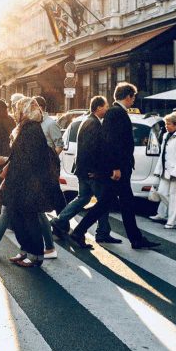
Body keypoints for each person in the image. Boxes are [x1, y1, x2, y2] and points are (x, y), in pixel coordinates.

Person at [70, 83, 158, 249]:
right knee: (115, 203)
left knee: (119, 203)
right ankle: (134, 239)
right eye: (133, 97)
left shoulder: (115, 112)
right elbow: (112, 142)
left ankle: (135, 239)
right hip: (118, 169)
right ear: (128, 97)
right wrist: (116, 167)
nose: (134, 101)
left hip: (119, 167)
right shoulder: (116, 113)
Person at [0, 99, 66, 267]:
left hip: (28, 183)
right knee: (18, 218)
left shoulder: (32, 129)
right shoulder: (25, 128)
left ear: (24, 110)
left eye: (17, 108)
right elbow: (18, 156)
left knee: (30, 219)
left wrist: (14, 177)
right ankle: (25, 251)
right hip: (20, 181)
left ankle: (35, 255)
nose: (15, 111)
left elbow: (31, 159)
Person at [52, 96, 116, 243]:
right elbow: (91, 149)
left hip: (83, 169)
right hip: (91, 171)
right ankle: (103, 232)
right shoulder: (94, 124)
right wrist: (95, 171)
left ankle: (59, 220)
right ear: (99, 108)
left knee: (83, 198)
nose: (107, 109)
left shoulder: (86, 121)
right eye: (105, 106)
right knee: (102, 202)